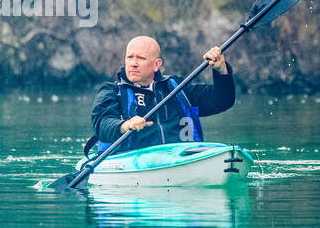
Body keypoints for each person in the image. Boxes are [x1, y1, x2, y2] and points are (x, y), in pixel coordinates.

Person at [88, 36, 235, 154]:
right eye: (130, 57)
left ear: (156, 64)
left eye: (140, 58)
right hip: (132, 162)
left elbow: (221, 101)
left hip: (182, 158)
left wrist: (221, 70)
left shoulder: (177, 87)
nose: (133, 63)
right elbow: (101, 125)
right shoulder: (112, 91)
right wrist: (124, 125)